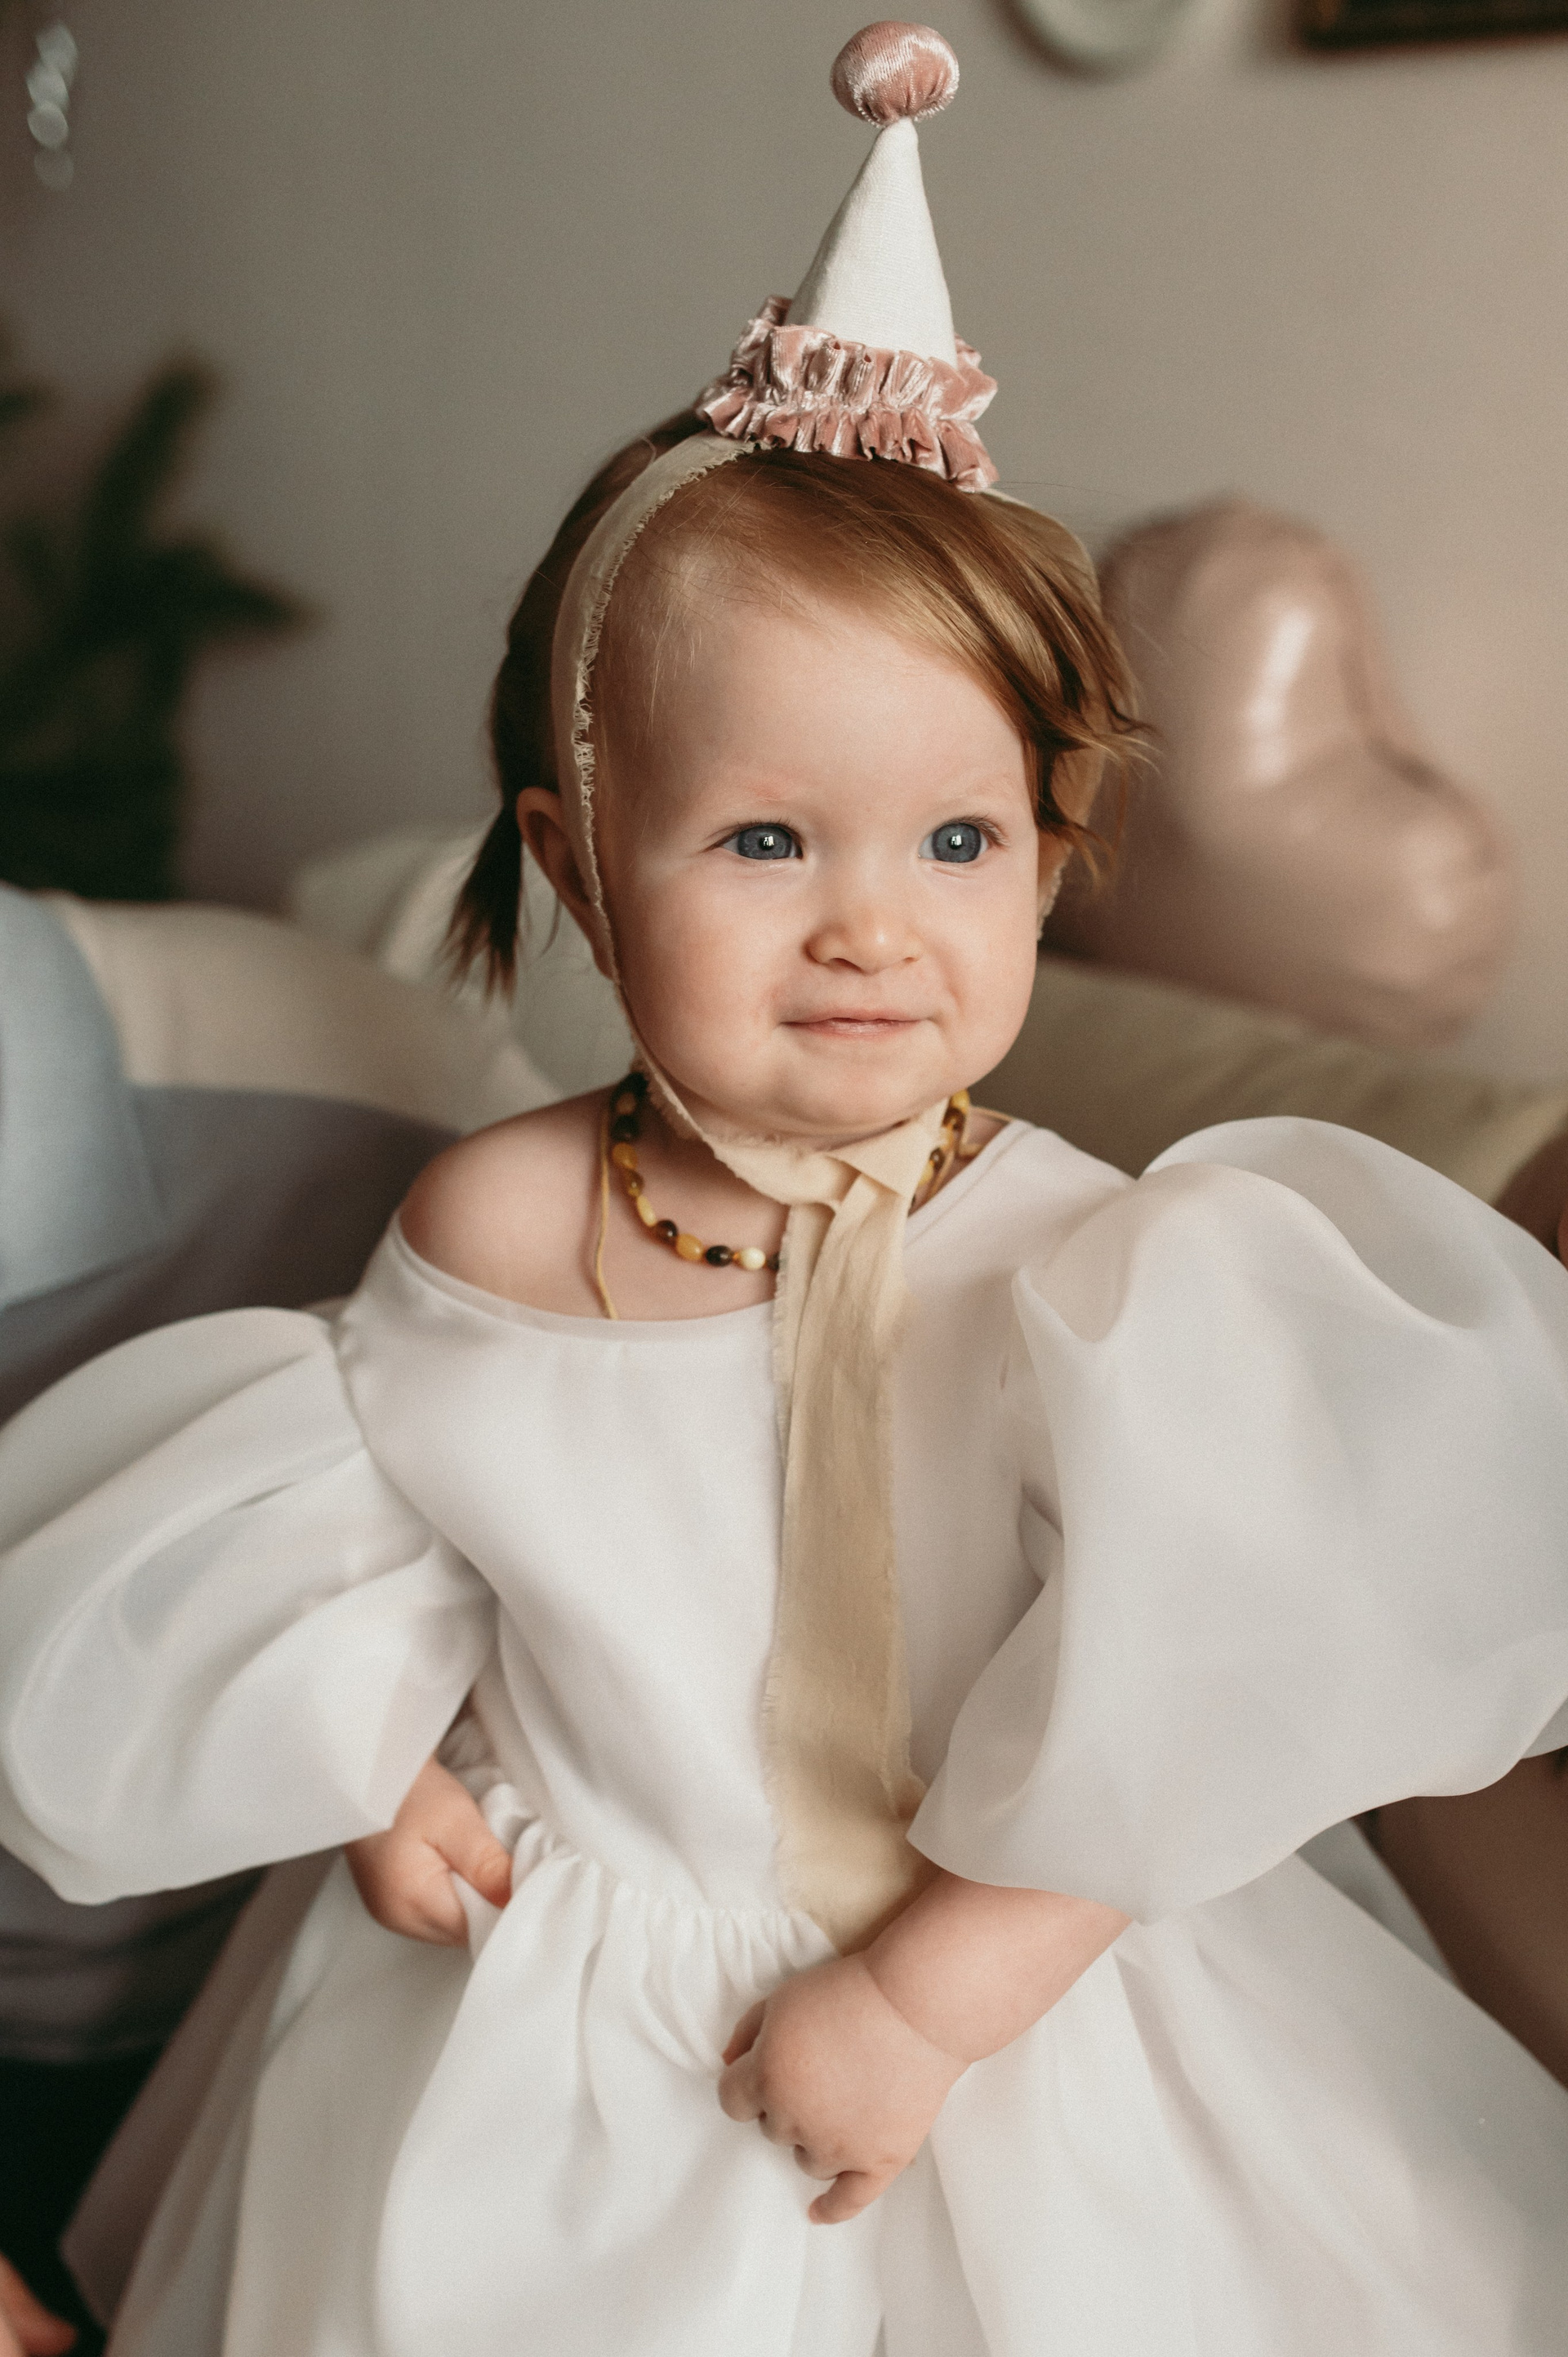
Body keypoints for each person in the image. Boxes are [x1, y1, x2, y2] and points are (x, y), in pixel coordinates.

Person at [4, 24, 1568, 2355]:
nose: (871, 925)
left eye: (958, 839)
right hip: (561, 2012)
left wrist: (932, 2002)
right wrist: (378, 1768)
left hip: (1018, 2013)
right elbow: (409, 1546)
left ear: (1049, 856)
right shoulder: (494, 1229)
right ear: (575, 872)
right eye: (762, 839)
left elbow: (1190, 1708)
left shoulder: (1107, 1266)